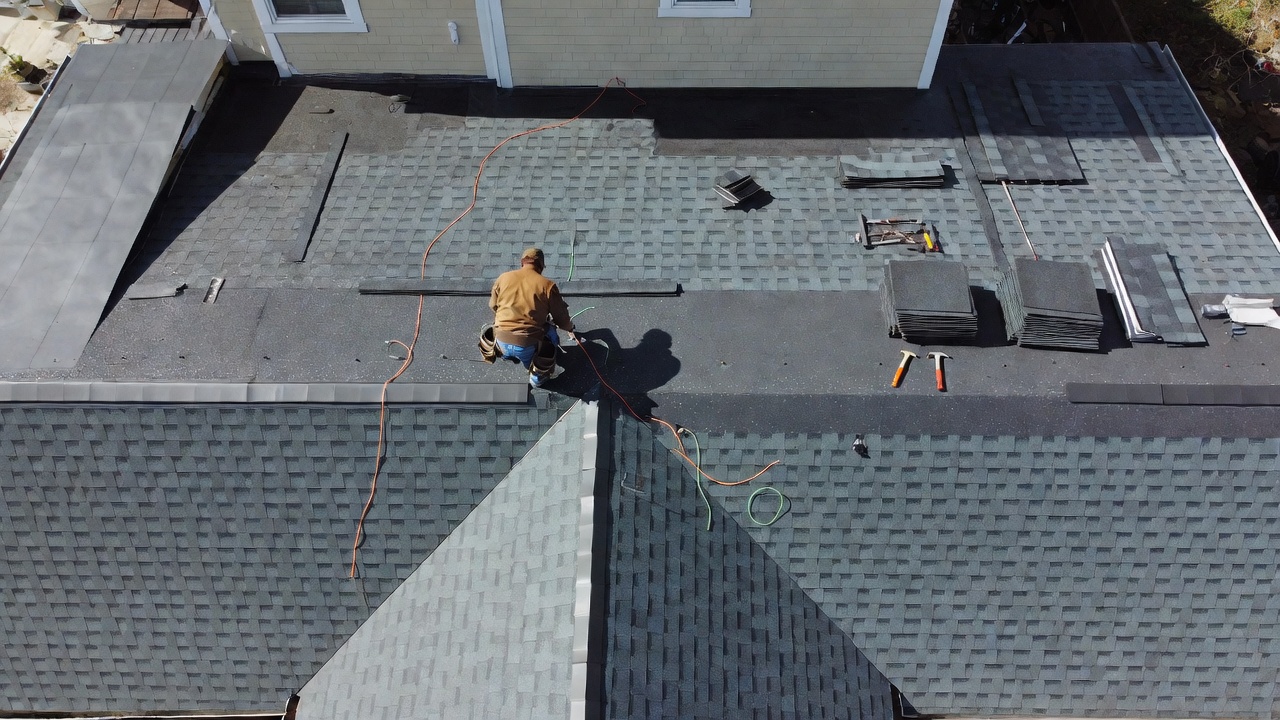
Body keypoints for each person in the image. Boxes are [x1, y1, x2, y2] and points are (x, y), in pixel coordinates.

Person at [487, 247, 577, 387]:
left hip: (501, 340)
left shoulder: (503, 278)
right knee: (551, 334)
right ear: (540, 265)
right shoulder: (547, 286)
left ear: (522, 263)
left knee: (493, 329)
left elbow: (493, 306)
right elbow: (561, 318)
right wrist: (569, 328)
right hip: (526, 345)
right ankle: (538, 376)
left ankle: (505, 355)